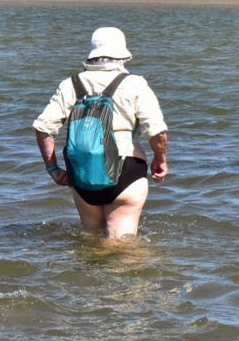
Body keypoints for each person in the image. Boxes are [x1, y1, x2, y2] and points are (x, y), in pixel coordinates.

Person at [34, 27, 169, 240]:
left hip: (82, 173)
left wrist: (53, 168)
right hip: (127, 170)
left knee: (91, 242)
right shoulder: (135, 83)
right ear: (122, 55)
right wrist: (160, 159)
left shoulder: (71, 84)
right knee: (122, 247)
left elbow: (43, 127)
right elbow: (157, 131)